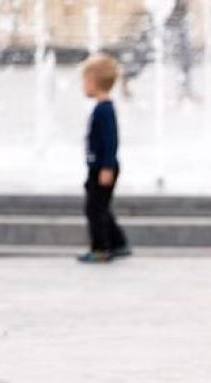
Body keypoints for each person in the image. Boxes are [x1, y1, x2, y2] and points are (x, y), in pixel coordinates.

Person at [79, 54, 131, 264]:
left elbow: (111, 141)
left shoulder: (105, 110)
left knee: (94, 209)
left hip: (104, 167)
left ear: (92, 80)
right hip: (99, 166)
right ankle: (118, 243)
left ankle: (101, 248)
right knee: (101, 207)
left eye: (84, 80)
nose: (82, 85)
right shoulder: (102, 108)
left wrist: (107, 167)